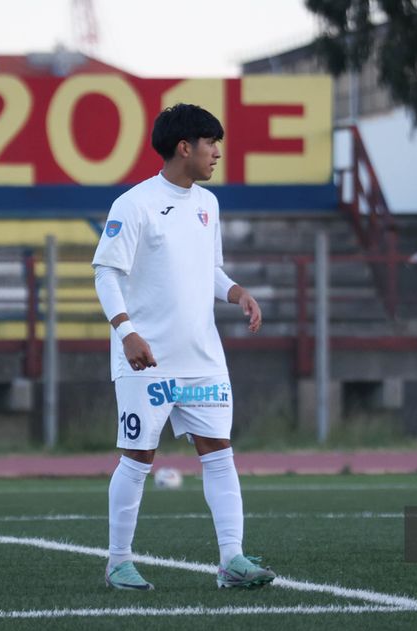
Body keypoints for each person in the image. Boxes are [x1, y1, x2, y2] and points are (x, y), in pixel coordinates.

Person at [91, 103, 276, 590]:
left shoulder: (207, 204)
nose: (216, 153)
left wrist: (236, 292)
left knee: (219, 453)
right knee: (138, 458)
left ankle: (232, 560)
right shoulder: (134, 204)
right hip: (146, 358)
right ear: (183, 147)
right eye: (210, 143)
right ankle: (118, 561)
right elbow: (106, 272)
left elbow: (208, 270)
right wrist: (126, 332)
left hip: (202, 357)